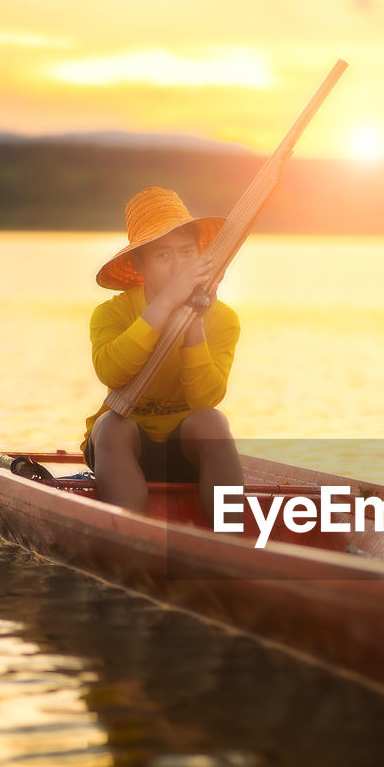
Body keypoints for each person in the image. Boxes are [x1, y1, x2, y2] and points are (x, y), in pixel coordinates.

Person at [83, 186, 242, 521]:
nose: (178, 266)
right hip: (123, 450)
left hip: (185, 448)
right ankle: (130, 535)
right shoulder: (110, 314)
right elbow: (113, 373)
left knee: (212, 422)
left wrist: (194, 320)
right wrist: (167, 302)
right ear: (139, 264)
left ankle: (231, 541)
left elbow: (205, 398)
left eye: (187, 253)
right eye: (163, 255)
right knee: (113, 425)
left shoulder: (222, 318)